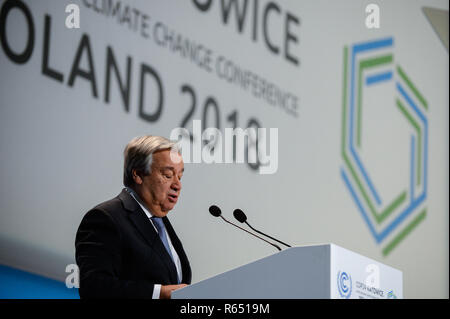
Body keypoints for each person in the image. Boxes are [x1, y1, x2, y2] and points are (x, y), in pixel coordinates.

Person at [75, 135, 191, 298]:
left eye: (180, 177)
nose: (177, 185)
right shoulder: (105, 218)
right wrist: (157, 294)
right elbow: (94, 286)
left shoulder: (161, 224)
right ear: (138, 174)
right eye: (167, 175)